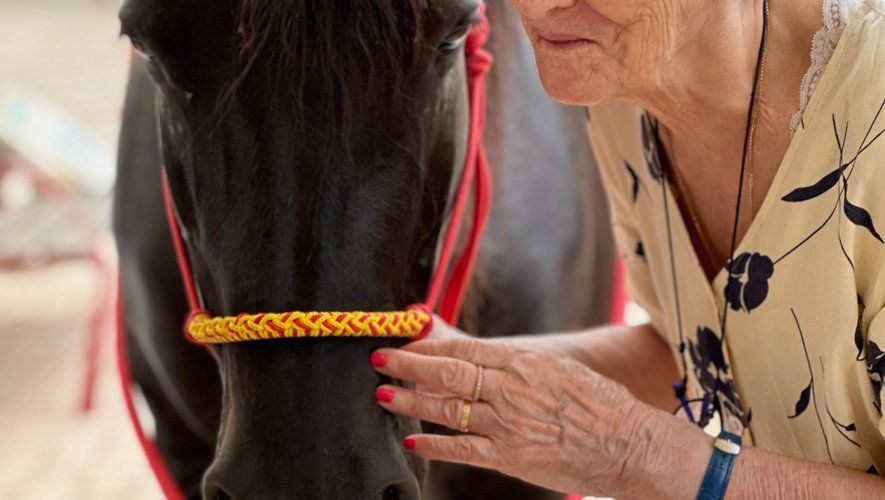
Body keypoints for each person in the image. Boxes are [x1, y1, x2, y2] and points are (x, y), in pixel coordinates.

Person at [369, 0, 885, 497]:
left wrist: (638, 457)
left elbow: (644, 449)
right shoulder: (616, 84)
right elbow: (696, 350)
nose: (538, 5)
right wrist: (460, 373)